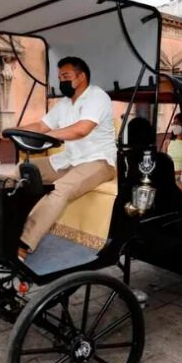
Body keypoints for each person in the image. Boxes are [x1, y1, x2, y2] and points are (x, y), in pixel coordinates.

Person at [15, 56, 116, 258]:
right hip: (69, 159)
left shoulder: (97, 97)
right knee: (19, 172)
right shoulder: (64, 103)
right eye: (60, 77)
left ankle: (23, 243)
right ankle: (4, 225)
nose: (61, 81)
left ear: (82, 77)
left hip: (99, 161)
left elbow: (81, 130)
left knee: (60, 190)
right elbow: (42, 127)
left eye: (66, 76)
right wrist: (15, 130)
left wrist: (44, 136)